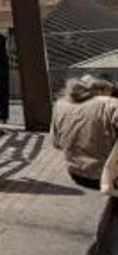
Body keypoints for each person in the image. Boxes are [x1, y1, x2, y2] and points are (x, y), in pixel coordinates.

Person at [51, 75, 118, 254]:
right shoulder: (109, 105)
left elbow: (56, 143)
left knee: (113, 202)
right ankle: (106, 248)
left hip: (76, 172)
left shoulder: (61, 104)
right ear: (104, 89)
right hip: (106, 175)